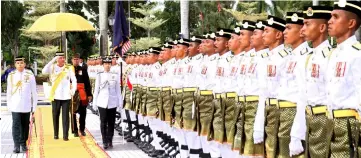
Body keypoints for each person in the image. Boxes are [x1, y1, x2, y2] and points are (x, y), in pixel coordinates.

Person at [289, 6, 333, 157]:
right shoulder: (308, 58)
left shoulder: (331, 56)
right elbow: (303, 98)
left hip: (326, 124)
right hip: (309, 122)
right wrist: (296, 134)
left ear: (321, 27)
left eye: (307, 24)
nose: (302, 29)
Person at [327, 1, 361, 157]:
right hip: (329, 122)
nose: (329, 21)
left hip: (349, 125)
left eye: (335, 17)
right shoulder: (333, 54)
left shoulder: (357, 54)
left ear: (351, 23)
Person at [253, 15, 287, 158]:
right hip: (267, 111)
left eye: (267, 31)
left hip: (281, 113)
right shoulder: (265, 59)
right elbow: (263, 93)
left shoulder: (286, 57)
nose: (263, 35)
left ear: (278, 35)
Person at [275, 11, 307, 158]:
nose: (284, 32)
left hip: (294, 115)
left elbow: (303, 95)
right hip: (283, 113)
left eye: (288, 28)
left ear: (302, 31)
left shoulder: (306, 56)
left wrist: (297, 133)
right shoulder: (289, 56)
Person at [42, 51, 77, 141]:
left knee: (65, 117)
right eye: (60, 57)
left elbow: (74, 80)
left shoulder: (69, 68)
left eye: (63, 57)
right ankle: (56, 134)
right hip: (55, 95)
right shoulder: (52, 67)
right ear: (57, 59)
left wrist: (73, 90)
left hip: (66, 96)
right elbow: (43, 71)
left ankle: (65, 135)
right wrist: (53, 60)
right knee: (55, 115)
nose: (62, 59)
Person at [7, 56, 37, 153]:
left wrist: (34, 107)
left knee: (25, 125)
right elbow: (9, 91)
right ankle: (16, 145)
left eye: (21, 63)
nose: (20, 65)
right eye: (18, 63)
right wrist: (9, 105)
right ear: (15, 64)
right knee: (15, 125)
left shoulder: (30, 74)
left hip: (26, 105)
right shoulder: (11, 75)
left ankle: (23, 144)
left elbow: (34, 92)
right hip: (15, 105)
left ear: (24, 64)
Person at [93, 56, 123, 149]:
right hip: (102, 102)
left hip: (112, 102)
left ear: (111, 65)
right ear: (103, 65)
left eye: (109, 64)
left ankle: (110, 140)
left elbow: (118, 90)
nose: (107, 66)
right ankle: (104, 140)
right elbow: (96, 89)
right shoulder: (99, 75)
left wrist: (120, 102)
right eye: (105, 64)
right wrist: (95, 102)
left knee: (111, 122)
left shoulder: (115, 75)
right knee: (103, 122)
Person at [71, 53, 92, 137]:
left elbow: (87, 82)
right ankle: (75, 130)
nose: (76, 61)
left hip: (82, 93)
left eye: (77, 59)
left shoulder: (83, 69)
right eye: (74, 59)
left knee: (83, 112)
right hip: (73, 93)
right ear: (72, 60)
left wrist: (89, 94)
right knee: (73, 112)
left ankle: (82, 129)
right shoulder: (69, 70)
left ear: (79, 60)